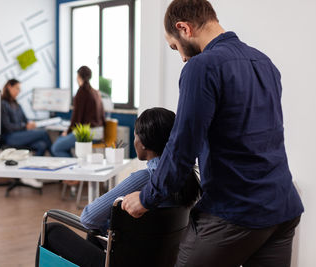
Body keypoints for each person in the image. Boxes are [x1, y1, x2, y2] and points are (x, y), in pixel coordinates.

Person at [121, 1, 304, 267]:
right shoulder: (264, 62)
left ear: (184, 28)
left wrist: (147, 198)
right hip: (282, 209)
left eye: (175, 47)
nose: (182, 57)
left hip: (235, 213)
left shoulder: (201, 66)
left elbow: (183, 144)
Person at [35, 108, 198, 267]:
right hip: (157, 260)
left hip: (122, 262)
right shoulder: (188, 179)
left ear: (143, 143)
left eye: (135, 135)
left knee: (51, 228)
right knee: (95, 234)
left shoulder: (144, 179)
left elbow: (88, 217)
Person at [50, 66, 105, 157]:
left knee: (55, 148)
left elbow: (76, 118)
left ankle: (72, 166)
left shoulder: (82, 92)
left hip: (88, 133)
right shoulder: (95, 92)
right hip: (99, 132)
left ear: (78, 77)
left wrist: (67, 132)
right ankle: (73, 164)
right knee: (60, 140)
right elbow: (102, 115)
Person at [1, 79, 52, 156]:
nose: (19, 91)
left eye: (19, 89)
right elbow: (8, 127)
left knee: (42, 145)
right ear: (9, 87)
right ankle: (56, 156)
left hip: (21, 134)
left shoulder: (17, 104)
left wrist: (30, 124)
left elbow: (25, 120)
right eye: (17, 88)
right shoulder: (3, 104)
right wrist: (25, 126)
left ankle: (34, 167)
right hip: (10, 137)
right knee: (43, 133)